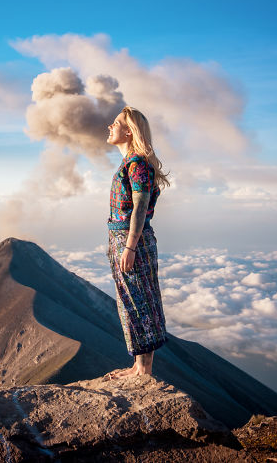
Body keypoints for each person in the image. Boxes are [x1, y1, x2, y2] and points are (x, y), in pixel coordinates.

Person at [104, 106, 171, 379]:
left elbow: (140, 207)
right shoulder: (132, 163)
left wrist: (130, 246)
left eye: (116, 123)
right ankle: (139, 366)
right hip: (125, 240)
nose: (110, 126)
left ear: (129, 131)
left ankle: (143, 370)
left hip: (133, 242)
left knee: (140, 301)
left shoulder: (137, 165)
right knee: (132, 301)